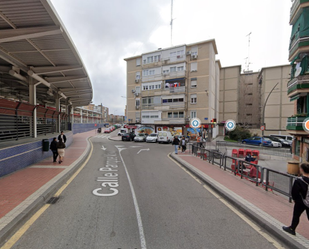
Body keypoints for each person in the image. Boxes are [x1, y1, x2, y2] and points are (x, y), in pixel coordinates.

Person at [282, 163, 309, 236]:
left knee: (296, 215)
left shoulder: (299, 180)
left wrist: (295, 200)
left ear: (302, 170)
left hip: (301, 202)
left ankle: (292, 229)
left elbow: (294, 192)